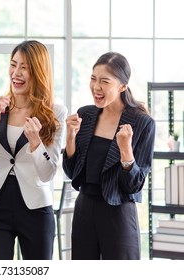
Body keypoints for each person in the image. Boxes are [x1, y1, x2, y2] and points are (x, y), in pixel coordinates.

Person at [0, 40, 67, 260]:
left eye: (25, 67)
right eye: (13, 64)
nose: (16, 72)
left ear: (39, 71)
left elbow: (48, 173)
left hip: (35, 208)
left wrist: (35, 142)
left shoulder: (55, 113)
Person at [62, 52, 155, 260]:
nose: (96, 87)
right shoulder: (85, 115)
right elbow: (71, 172)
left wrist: (125, 150)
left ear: (123, 86)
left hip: (118, 213)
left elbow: (135, 185)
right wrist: (70, 138)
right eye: (93, 79)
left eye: (104, 81)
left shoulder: (142, 122)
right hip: (84, 209)